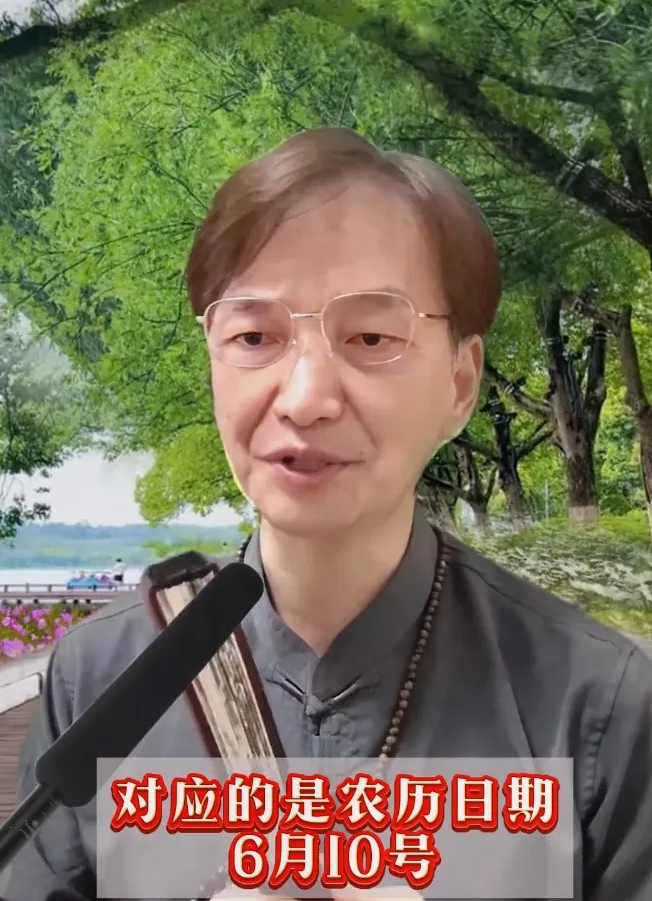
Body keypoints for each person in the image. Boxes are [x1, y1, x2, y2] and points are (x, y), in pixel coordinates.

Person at [5, 127, 652, 901]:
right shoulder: (101, 677)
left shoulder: (595, 700)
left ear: (460, 383)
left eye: (371, 336)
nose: (305, 397)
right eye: (254, 336)